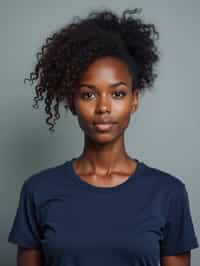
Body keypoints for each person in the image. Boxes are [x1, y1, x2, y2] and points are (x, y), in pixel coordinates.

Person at [8, 8, 199, 266]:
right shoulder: (38, 190)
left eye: (117, 94)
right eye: (88, 94)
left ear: (134, 100)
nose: (103, 107)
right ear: (71, 102)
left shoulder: (168, 193)